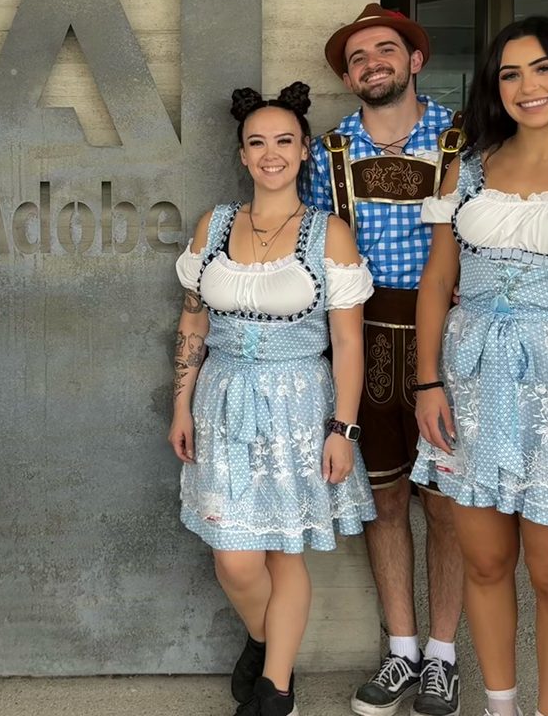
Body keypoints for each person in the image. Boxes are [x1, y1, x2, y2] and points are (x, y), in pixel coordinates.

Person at [412, 16, 548, 716]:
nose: (528, 86)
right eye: (511, 73)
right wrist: (427, 381)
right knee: (487, 561)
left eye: (544, 67)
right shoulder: (468, 167)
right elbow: (438, 280)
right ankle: (501, 707)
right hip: (470, 375)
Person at [171, 82, 376, 716]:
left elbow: (348, 343)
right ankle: (264, 640)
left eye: (284, 141)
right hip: (223, 401)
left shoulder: (329, 234)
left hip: (300, 405)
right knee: (235, 560)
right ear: (242, 154)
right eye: (257, 142)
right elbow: (193, 321)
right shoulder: (215, 224)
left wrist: (343, 428)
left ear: (305, 149)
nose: (271, 153)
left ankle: (276, 691)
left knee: (286, 550)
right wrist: (180, 405)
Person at [303, 3, 465, 716]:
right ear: (348, 76)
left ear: (415, 60)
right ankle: (402, 648)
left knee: (450, 504)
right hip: (362, 337)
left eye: (386, 50)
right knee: (386, 499)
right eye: (358, 57)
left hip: (448, 340)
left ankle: (443, 655)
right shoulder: (328, 151)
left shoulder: (466, 139)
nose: (373, 63)